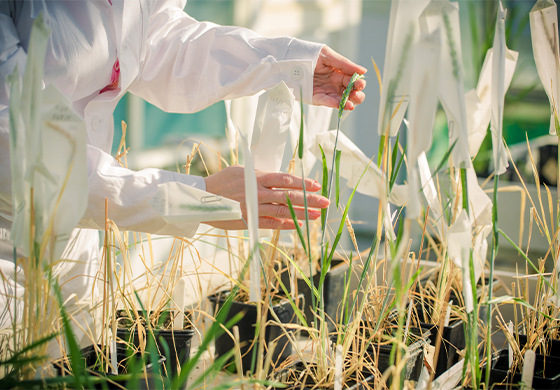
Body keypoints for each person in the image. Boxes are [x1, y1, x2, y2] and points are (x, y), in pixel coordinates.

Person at [0, 0, 366, 354]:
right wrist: (194, 198)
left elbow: (160, 40)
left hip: (78, 245)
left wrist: (287, 64)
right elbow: (18, 149)